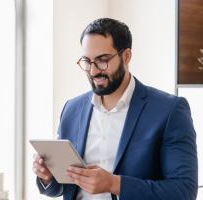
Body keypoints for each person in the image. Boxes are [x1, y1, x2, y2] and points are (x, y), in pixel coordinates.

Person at [32, 18, 198, 200]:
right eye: (87, 61)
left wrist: (114, 184)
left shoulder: (169, 110)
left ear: (126, 56)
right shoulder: (72, 109)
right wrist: (48, 177)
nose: (93, 71)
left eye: (102, 61)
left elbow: (183, 191)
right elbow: (63, 187)